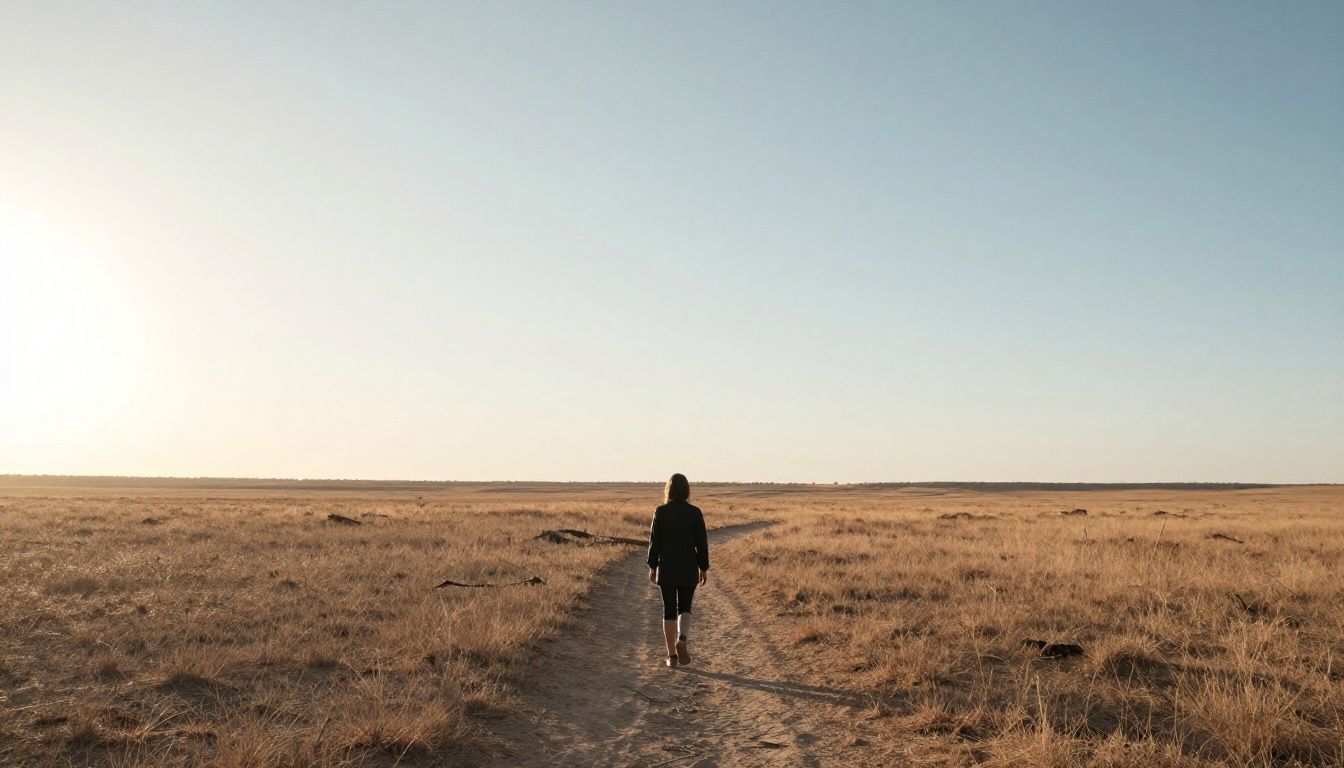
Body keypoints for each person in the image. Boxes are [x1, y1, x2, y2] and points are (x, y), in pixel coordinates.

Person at [647, 472, 709, 668]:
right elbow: (702, 543)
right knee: (685, 607)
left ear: (669, 490)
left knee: (668, 610)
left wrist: (652, 566)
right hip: (688, 566)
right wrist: (703, 567)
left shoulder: (660, 511)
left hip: (667, 566)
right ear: (686, 490)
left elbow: (654, 543)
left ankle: (671, 656)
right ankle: (682, 638)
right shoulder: (695, 512)